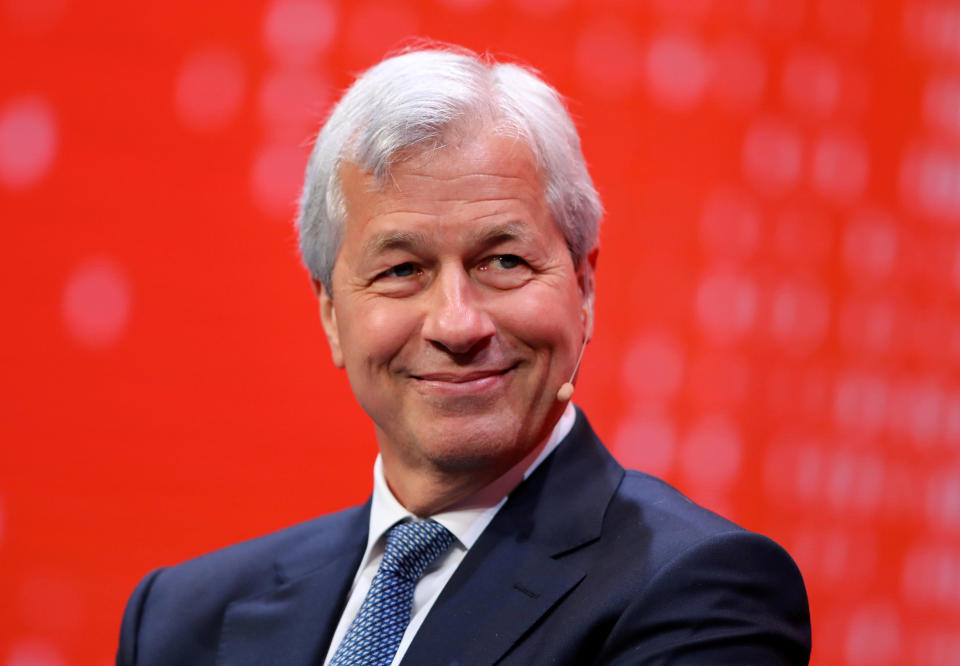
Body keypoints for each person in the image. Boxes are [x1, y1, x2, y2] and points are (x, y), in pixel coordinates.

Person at [117, 46, 811, 665]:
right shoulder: (182, 619)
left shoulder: (701, 593)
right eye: (402, 270)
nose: (457, 324)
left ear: (585, 287)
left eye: (503, 261)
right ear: (332, 312)